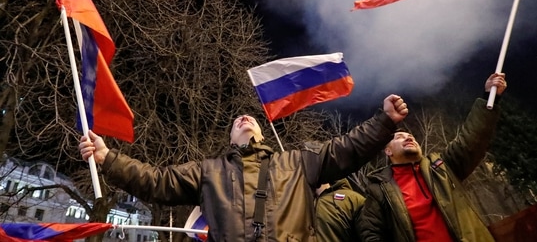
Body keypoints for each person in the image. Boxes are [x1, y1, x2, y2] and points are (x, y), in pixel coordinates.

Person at [79, 94, 409, 241]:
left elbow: (346, 150)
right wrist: (109, 159)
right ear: (231, 137)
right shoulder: (209, 170)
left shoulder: (296, 162)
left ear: (262, 134)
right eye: (237, 120)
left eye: (249, 118)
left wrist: (384, 123)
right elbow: (156, 181)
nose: (243, 118)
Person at [357, 73, 507, 242]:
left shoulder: (443, 166)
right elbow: (370, 233)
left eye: (411, 136)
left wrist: (489, 97)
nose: (408, 137)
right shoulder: (379, 190)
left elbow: (472, 140)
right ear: (388, 151)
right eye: (399, 137)